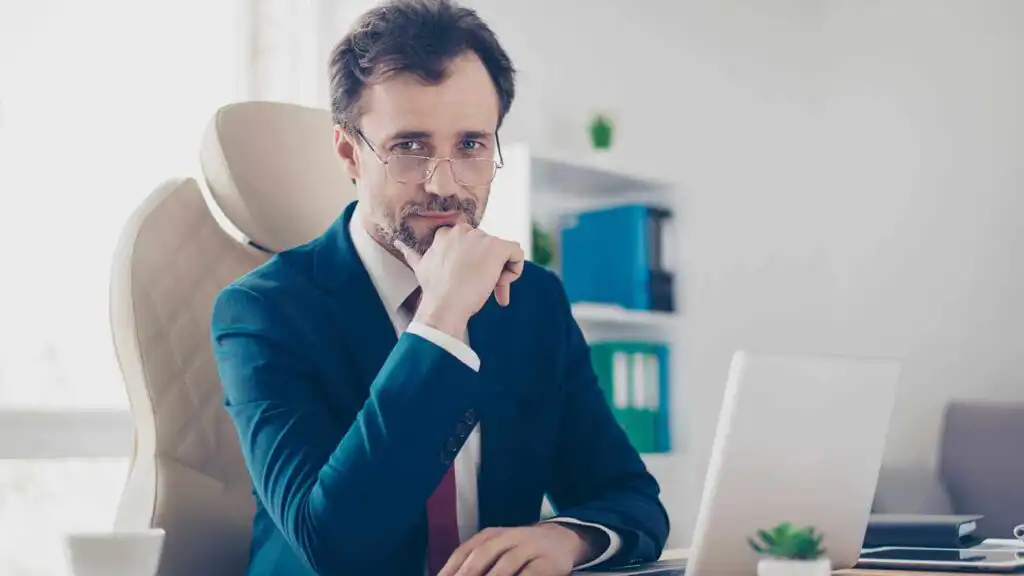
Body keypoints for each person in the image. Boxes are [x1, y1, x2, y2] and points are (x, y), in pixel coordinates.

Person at [210, 0, 669, 574]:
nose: (445, 184)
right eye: (410, 146)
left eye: (471, 146)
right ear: (350, 153)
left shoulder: (533, 300)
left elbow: (630, 498)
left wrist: (569, 538)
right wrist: (441, 320)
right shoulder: (262, 312)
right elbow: (333, 546)